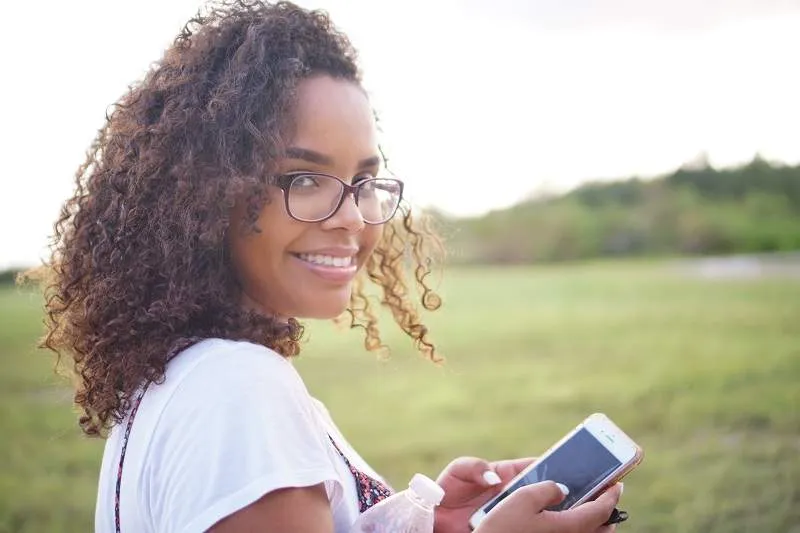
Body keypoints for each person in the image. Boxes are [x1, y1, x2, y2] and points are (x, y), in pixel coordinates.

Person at [35, 1, 622, 531]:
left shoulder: (188, 373)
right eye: (306, 178)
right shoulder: (237, 390)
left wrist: (425, 523)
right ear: (205, 191)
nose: (352, 217)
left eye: (364, 181)